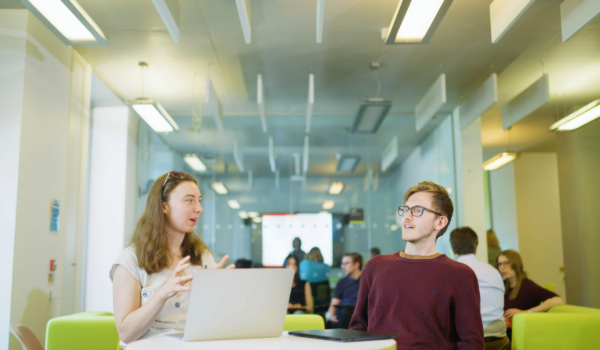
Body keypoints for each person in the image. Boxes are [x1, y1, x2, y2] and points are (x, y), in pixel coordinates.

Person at [350, 181, 484, 349]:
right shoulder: (375, 266)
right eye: (406, 209)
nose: (407, 216)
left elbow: (471, 343)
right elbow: (358, 327)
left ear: (440, 222)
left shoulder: (460, 275)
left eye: (418, 210)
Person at [110, 171, 235, 346]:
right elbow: (126, 333)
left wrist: (220, 294)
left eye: (199, 200)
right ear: (163, 206)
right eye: (189, 200)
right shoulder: (130, 260)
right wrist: (162, 293)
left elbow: (215, 321)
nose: (199, 208)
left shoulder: (201, 256)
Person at [450, 227, 510, 350]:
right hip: (501, 342)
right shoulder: (494, 272)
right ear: (476, 248)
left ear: (453, 250)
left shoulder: (451, 273)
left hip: (471, 343)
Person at [496, 250, 564, 340]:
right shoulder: (502, 285)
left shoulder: (527, 285)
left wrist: (525, 312)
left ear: (516, 264)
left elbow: (558, 300)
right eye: (499, 264)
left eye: (506, 263)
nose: (502, 267)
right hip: (506, 335)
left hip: (524, 336)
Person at [329, 253, 362, 329]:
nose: (343, 267)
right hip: (343, 314)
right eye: (342, 264)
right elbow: (334, 303)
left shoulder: (366, 281)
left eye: (346, 264)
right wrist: (331, 316)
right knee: (344, 312)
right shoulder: (342, 282)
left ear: (356, 264)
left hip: (358, 313)